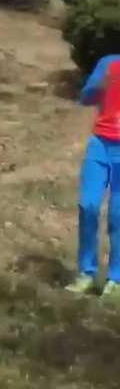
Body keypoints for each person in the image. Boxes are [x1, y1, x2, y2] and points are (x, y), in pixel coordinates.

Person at [66, 54, 120, 296]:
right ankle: (86, 273)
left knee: (118, 216)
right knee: (88, 206)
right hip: (99, 144)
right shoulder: (108, 62)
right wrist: (100, 85)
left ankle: (115, 280)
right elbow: (85, 98)